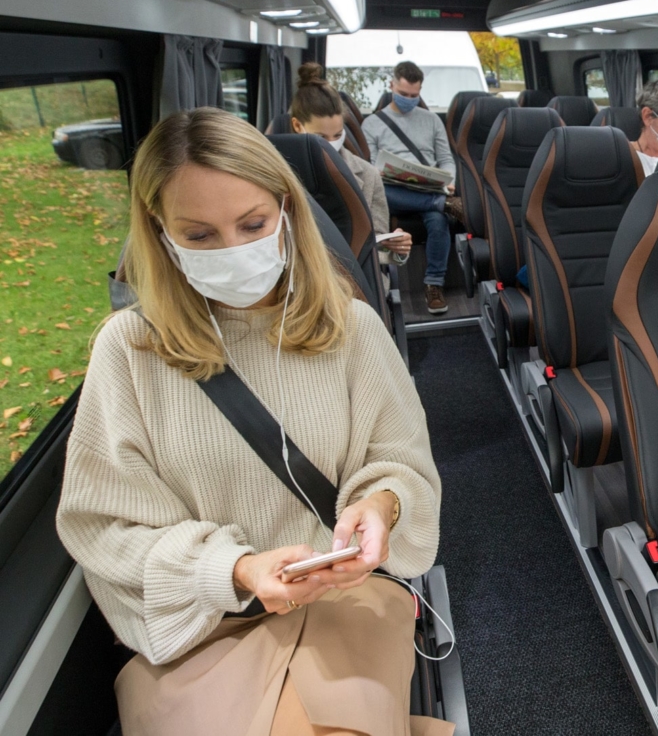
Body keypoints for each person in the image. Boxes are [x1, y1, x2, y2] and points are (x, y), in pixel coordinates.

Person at [56, 108, 451, 736]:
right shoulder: (128, 352)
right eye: (200, 235)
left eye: (252, 224)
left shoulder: (353, 329)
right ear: (160, 234)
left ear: (286, 212)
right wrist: (234, 570)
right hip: (202, 623)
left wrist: (381, 507)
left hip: (342, 600)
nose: (234, 250)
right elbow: (102, 526)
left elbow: (402, 462)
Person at [361, 61, 461, 315]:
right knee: (380, 190)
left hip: (428, 188)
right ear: (391, 85)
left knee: (438, 219)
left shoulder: (432, 120)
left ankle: (434, 284)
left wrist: (449, 181)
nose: (408, 100)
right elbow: (369, 166)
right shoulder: (372, 124)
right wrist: (381, 172)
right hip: (391, 192)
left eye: (413, 96)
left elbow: (446, 158)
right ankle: (442, 203)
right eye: (403, 94)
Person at [289, 61, 412, 266]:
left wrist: (397, 249)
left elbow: (378, 249)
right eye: (321, 137)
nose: (331, 144)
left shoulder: (368, 174)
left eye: (337, 135)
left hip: (353, 273)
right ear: (297, 126)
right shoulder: (275, 174)